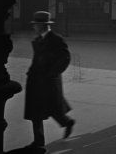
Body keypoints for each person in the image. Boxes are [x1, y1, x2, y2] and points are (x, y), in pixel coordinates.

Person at [23, 11, 75, 151]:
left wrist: (53, 73)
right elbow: (37, 60)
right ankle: (38, 142)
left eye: (36, 25)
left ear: (42, 25)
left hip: (50, 81)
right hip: (35, 81)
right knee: (36, 113)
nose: (34, 27)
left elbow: (65, 58)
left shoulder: (56, 39)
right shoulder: (37, 40)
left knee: (53, 108)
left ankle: (68, 122)